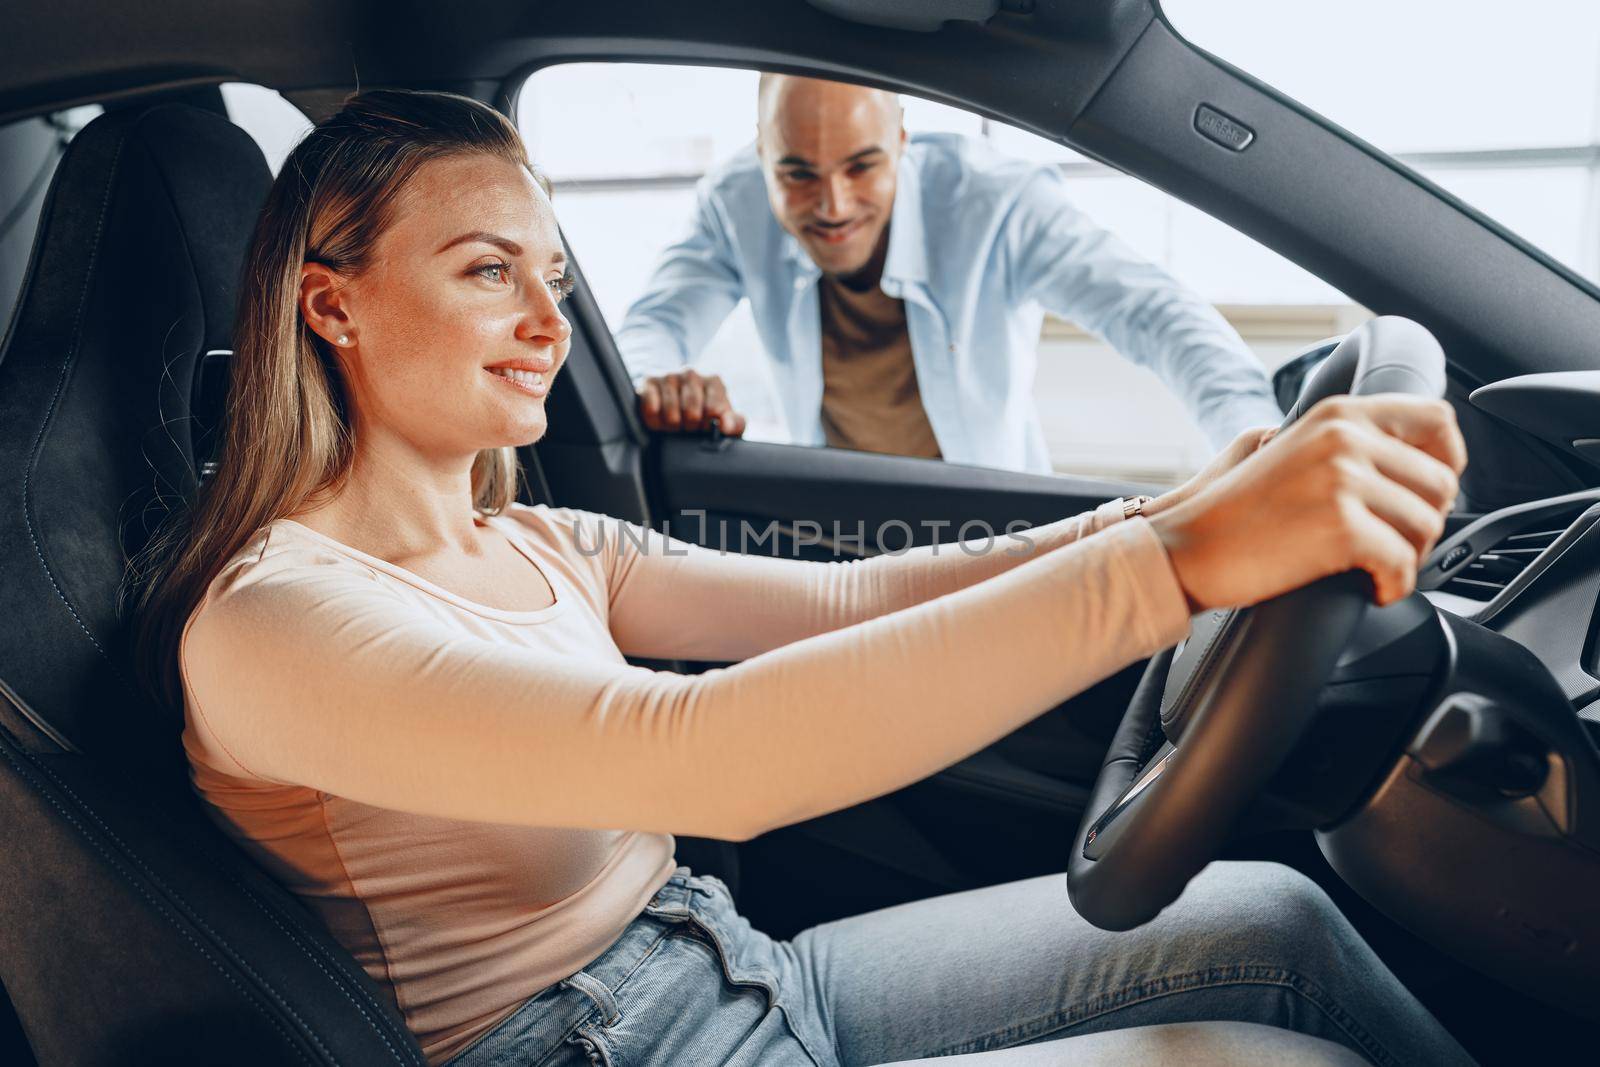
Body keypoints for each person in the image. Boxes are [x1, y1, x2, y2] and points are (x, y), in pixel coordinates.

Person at [135, 90, 1475, 1067]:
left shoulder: (541, 541)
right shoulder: (272, 621)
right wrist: (1176, 565)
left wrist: (1174, 505)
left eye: (553, 273)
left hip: (730, 959)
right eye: (491, 273)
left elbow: (860, 601)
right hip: (608, 1048)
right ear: (333, 304)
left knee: (1277, 917)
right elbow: (705, 752)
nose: (552, 324)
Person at [618, 74, 1285, 472]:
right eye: (797, 173)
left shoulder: (995, 202)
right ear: (760, 154)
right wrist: (653, 386)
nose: (833, 205)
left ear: (902, 140)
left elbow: (1156, 313)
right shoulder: (733, 202)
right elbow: (654, 327)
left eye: (861, 166)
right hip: (831, 526)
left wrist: (1256, 444)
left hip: (988, 526)